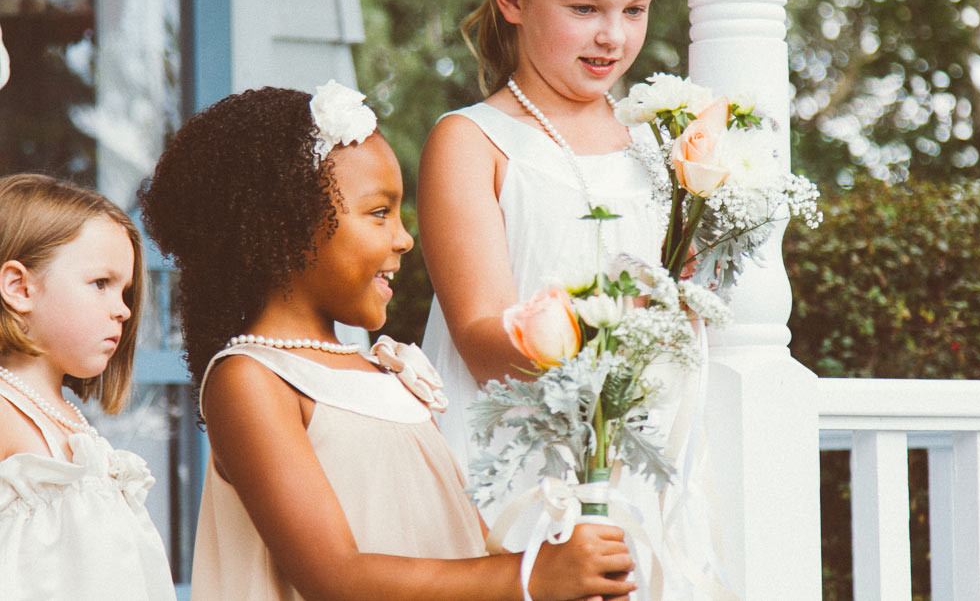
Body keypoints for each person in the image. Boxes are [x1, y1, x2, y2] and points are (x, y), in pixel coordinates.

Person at [139, 81, 636, 601]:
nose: (404, 237)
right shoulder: (254, 379)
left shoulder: (390, 375)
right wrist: (532, 575)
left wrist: (570, 579)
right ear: (285, 224)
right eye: (380, 213)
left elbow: (459, 553)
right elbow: (334, 576)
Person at [418, 0, 665, 484]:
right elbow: (483, 344)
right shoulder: (473, 143)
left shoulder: (661, 144)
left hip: (648, 449)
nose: (613, 36)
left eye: (635, 10)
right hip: (515, 458)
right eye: (584, 9)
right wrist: (632, 318)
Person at [0, 173, 175, 601]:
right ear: (20, 288)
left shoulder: (70, 420)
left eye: (126, 292)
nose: (123, 311)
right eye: (101, 284)